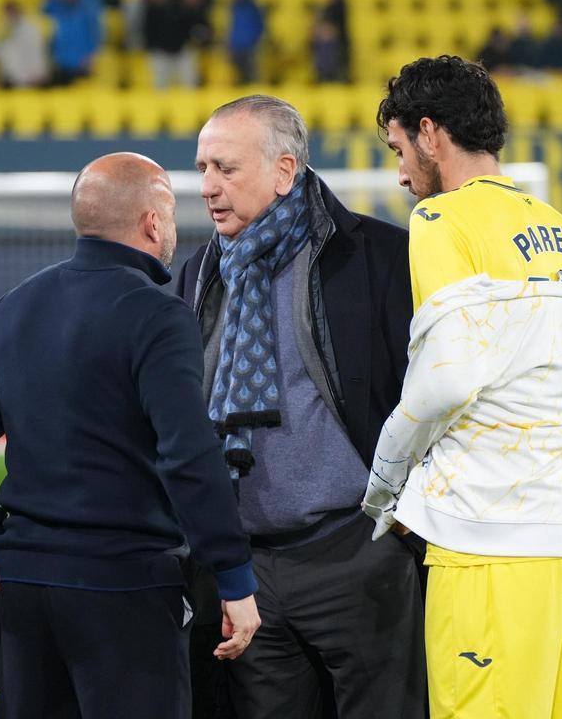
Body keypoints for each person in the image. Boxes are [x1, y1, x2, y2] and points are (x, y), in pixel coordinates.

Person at [0, 152, 261, 719]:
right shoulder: (158, 314)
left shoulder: (15, 306)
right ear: (153, 223)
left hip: (28, 585)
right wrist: (232, 575)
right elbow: (187, 454)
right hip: (124, 585)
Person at [364, 55, 562, 719]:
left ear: (429, 132)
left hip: (489, 534)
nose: (399, 173)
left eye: (399, 149)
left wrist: (385, 479)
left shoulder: (442, 221)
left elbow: (445, 380)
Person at [178, 96, 424, 719]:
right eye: (202, 167)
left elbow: (426, 395)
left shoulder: (377, 258)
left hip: (359, 553)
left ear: (285, 171)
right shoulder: (200, 273)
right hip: (247, 572)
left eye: (225, 169)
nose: (208, 186)